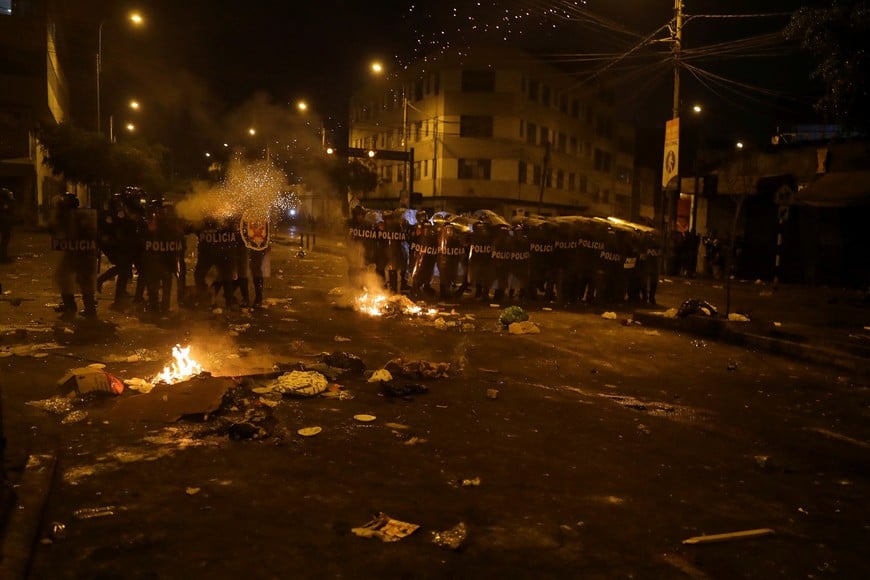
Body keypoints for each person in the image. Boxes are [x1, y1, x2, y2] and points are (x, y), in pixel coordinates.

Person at [51, 192, 99, 319]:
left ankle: (83, 308)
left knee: (81, 280)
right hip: (76, 253)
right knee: (65, 278)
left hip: (80, 253)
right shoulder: (71, 216)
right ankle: (74, 306)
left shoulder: (80, 217)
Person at [0, 187, 14, 263]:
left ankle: (3, 257)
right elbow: (11, 208)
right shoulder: (5, 202)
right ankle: (3, 258)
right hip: (5, 220)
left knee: (4, 239)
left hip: (4, 219)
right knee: (5, 239)